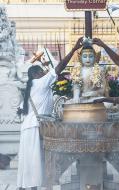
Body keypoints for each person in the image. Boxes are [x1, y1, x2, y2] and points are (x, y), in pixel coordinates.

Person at [17, 37, 83, 190]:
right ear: (36, 74)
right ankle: (33, 186)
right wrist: (73, 50)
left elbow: (20, 110)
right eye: (42, 71)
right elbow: (59, 68)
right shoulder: (40, 82)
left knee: (29, 161)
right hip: (34, 128)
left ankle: (26, 186)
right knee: (35, 161)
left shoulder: (30, 87)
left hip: (27, 128)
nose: (45, 72)